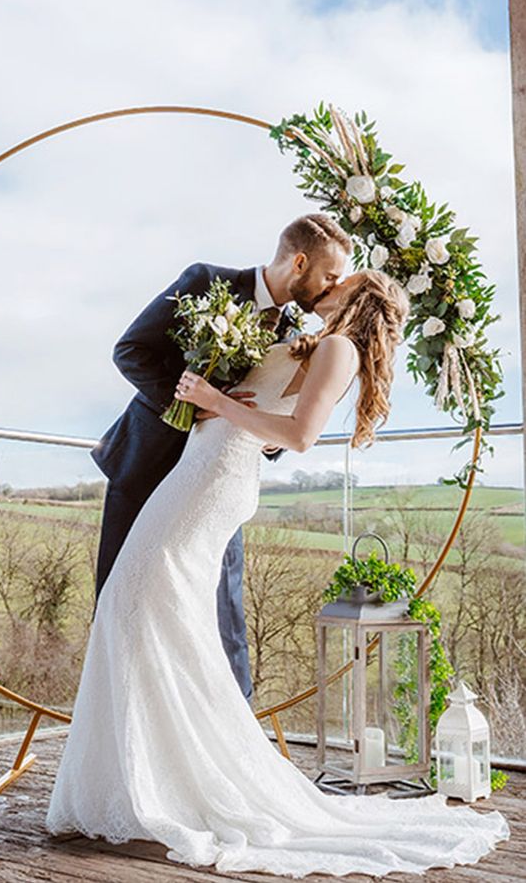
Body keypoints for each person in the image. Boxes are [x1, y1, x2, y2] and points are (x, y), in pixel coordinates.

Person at [45, 267, 510, 877]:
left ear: (357, 297)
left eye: (344, 280)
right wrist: (211, 396)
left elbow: (299, 436)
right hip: (196, 471)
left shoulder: (340, 349)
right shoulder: (316, 343)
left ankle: (175, 781)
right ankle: (144, 777)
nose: (331, 283)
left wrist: (212, 403)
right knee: (145, 614)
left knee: (135, 603)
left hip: (212, 484)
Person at [90, 213, 351, 703]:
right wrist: (192, 404)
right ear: (299, 263)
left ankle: (229, 741)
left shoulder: (300, 334)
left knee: (221, 616)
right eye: (330, 276)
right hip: (147, 468)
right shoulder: (206, 282)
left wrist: (267, 440)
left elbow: (274, 417)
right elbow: (131, 351)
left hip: (214, 487)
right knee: (122, 605)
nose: (331, 288)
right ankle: (119, 725)